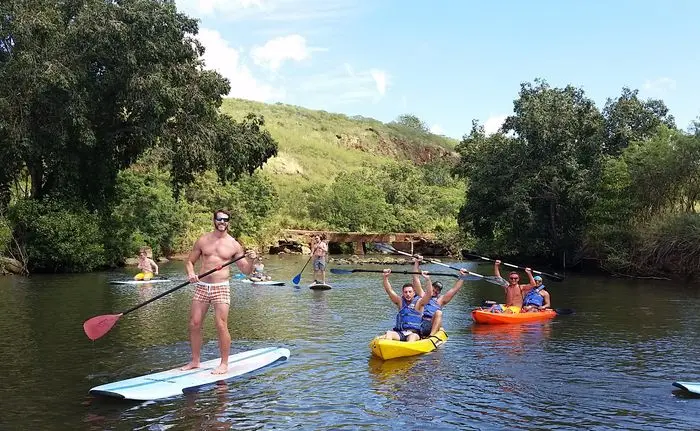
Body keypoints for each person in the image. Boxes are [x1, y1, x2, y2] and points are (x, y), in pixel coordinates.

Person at [181, 209, 257, 374]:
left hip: (221, 287)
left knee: (221, 324)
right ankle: (195, 361)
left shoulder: (234, 245)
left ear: (229, 222)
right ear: (214, 220)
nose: (222, 222)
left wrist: (252, 260)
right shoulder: (203, 240)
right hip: (202, 285)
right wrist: (191, 274)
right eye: (219, 219)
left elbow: (245, 270)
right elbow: (189, 262)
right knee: (194, 324)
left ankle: (224, 364)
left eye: (226, 219)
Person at [411, 258, 469, 336]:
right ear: (430, 287)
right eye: (434, 288)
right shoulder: (423, 294)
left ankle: (432, 336)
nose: (435, 290)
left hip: (431, 323)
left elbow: (454, 290)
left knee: (438, 313)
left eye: (438, 290)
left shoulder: (440, 300)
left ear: (439, 292)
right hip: (419, 322)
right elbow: (416, 279)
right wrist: (417, 262)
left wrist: (462, 277)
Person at [380, 268, 433, 342]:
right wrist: (385, 277)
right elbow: (389, 291)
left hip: (414, 333)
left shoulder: (419, 303)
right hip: (401, 332)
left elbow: (429, 294)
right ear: (403, 293)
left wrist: (428, 280)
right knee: (389, 333)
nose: (408, 294)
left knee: (412, 337)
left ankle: (407, 349)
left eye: (410, 292)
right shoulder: (400, 302)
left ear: (414, 292)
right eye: (405, 292)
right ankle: (388, 349)